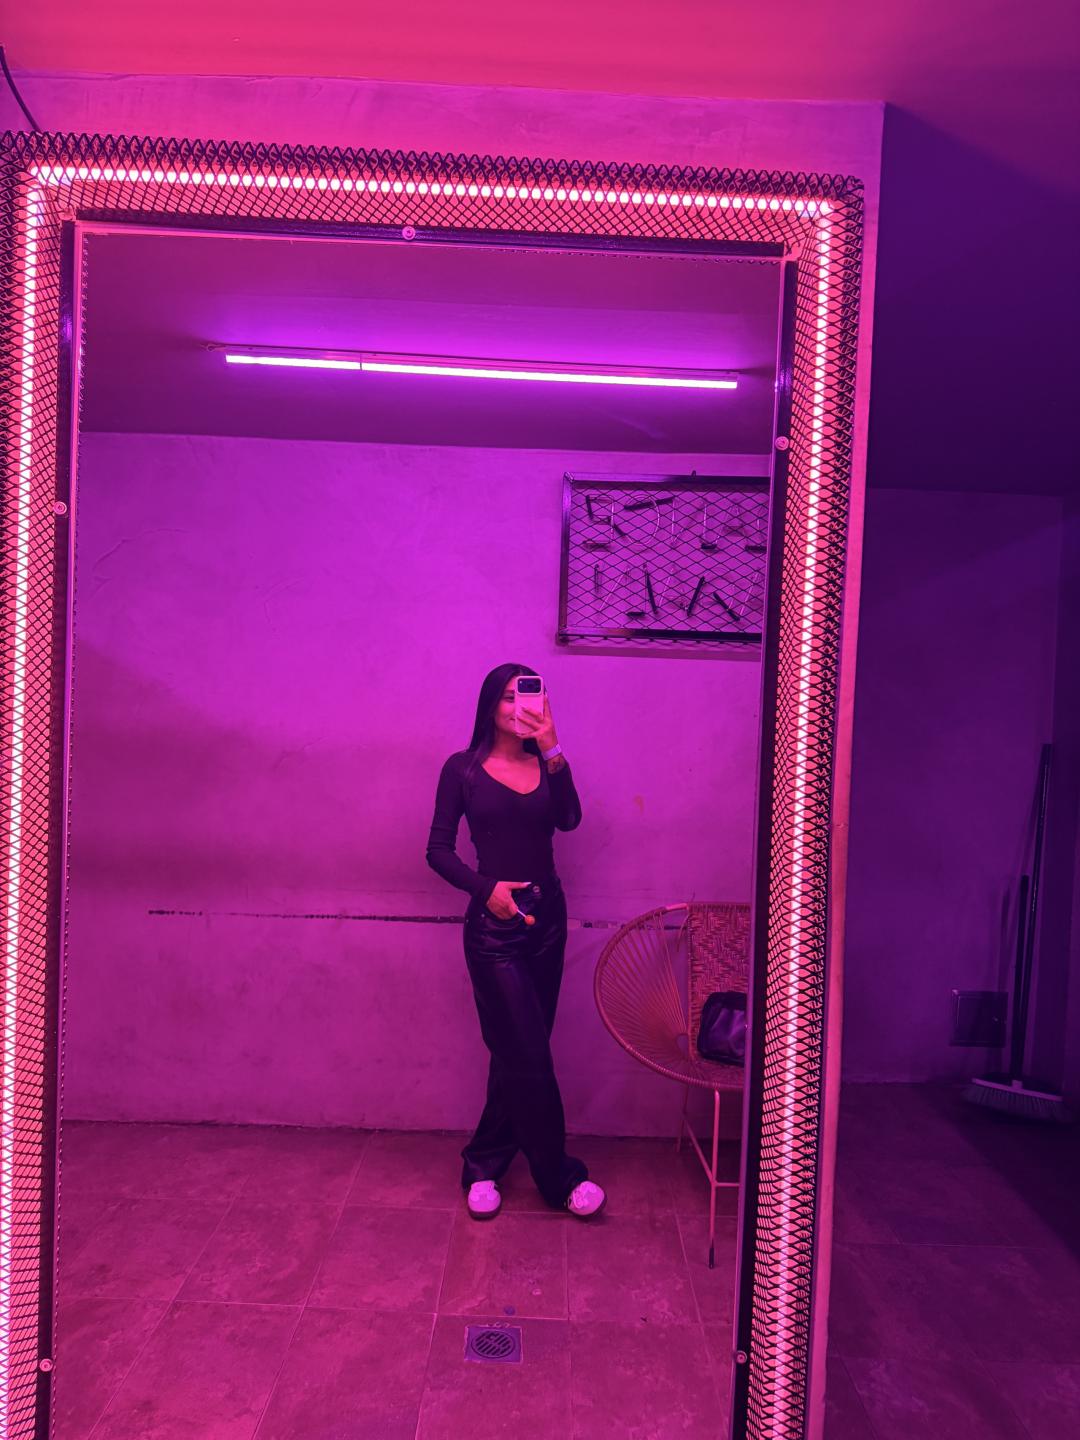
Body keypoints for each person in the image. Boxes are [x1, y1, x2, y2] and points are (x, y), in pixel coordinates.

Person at [426, 662, 607, 1222]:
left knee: (518, 1051)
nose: (517, 707)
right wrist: (487, 891)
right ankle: (560, 1179)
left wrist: (552, 746)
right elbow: (437, 851)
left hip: (548, 918)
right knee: (527, 1051)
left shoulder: (546, 763)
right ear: (489, 705)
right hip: (495, 927)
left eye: (527, 696)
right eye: (506, 697)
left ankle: (483, 1164)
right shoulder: (462, 769)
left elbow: (570, 819)